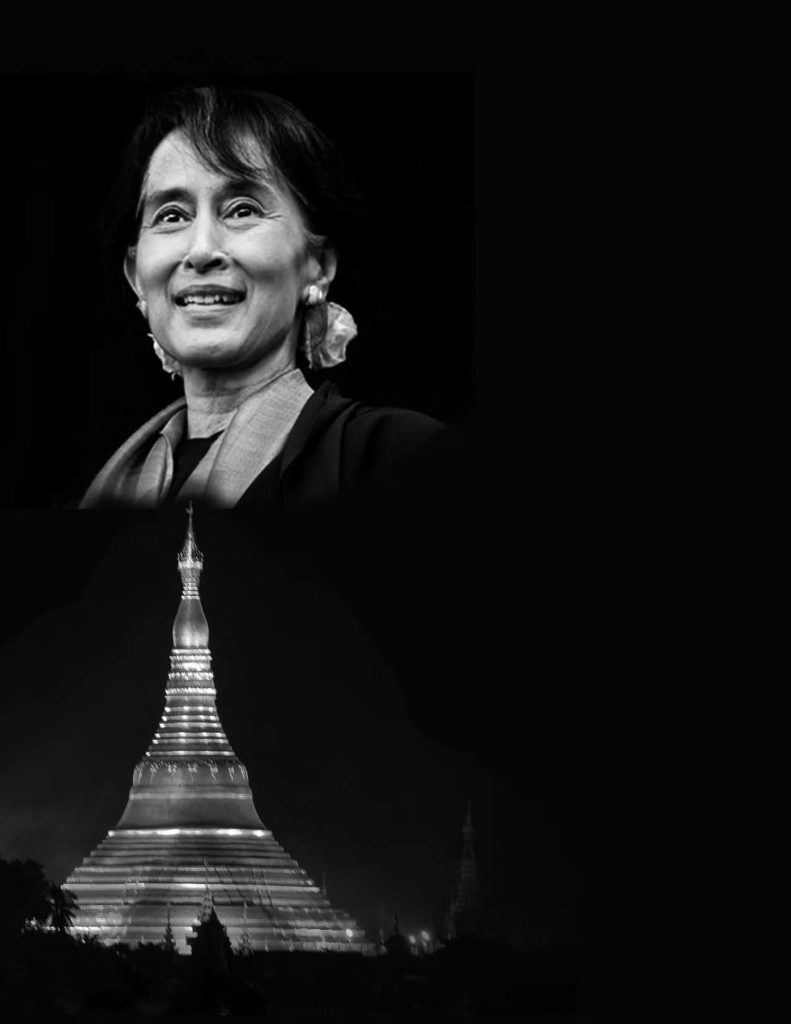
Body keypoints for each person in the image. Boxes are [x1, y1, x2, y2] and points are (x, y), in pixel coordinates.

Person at [79, 85, 443, 512]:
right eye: (171, 216)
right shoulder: (100, 496)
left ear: (318, 265)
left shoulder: (402, 461)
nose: (200, 251)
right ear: (136, 277)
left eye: (242, 209)